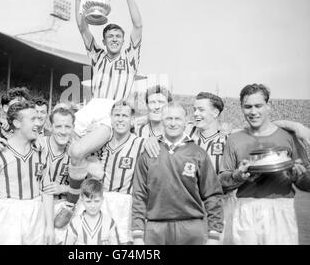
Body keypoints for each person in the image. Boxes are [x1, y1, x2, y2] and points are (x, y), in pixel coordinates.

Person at [55, 0, 143, 228]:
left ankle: (71, 202)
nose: (114, 39)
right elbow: (83, 27)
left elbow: (138, 25)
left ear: (123, 40)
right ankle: (88, 168)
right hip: (92, 106)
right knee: (57, 131)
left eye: (118, 36)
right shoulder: (97, 55)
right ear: (104, 41)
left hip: (112, 111)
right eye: (110, 36)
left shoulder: (131, 57)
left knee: (77, 150)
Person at [218, 84, 310, 245]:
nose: (253, 112)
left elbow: (307, 183)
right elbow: (221, 180)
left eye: (258, 106)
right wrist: (237, 176)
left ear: (269, 106)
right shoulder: (234, 139)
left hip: (281, 207)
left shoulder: (289, 137)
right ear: (241, 108)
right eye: (247, 107)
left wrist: (300, 176)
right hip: (245, 208)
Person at [132, 101, 224, 245]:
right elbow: (139, 195)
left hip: (192, 228)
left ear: (185, 122)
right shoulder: (148, 153)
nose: (173, 123)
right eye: (169, 118)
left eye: (177, 119)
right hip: (156, 229)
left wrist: (214, 234)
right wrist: (137, 233)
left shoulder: (198, 154)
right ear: (162, 121)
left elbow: (212, 194)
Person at [0, 101, 54, 245]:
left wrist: (49, 226)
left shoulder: (41, 151)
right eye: (32, 119)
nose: (38, 123)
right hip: (7, 218)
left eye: (39, 118)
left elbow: (47, 190)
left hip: (36, 215)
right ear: (17, 124)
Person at [97, 100, 144, 244]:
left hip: (125, 204)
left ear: (132, 121)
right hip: (100, 202)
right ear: (111, 118)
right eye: (117, 115)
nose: (120, 119)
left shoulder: (141, 143)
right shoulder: (101, 142)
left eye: (125, 115)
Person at [42, 107, 74, 244]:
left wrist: (64, 188)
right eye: (58, 126)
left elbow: (90, 185)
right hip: (37, 207)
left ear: (73, 127)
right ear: (50, 126)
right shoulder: (38, 144)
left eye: (67, 126)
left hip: (62, 208)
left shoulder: (77, 151)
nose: (63, 131)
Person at [63, 178, 120, 245]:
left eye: (96, 201)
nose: (93, 205)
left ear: (102, 199)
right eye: (88, 201)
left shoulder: (110, 223)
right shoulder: (75, 223)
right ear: (81, 200)